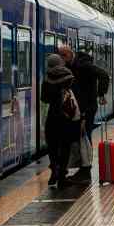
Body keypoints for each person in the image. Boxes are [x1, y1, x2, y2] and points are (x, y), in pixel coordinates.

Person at [66, 45, 111, 182]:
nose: (62, 59)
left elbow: (104, 75)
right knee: (81, 137)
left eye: (64, 56)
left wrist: (101, 93)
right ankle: (82, 169)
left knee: (84, 137)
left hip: (87, 108)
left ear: (70, 54)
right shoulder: (72, 66)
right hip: (80, 108)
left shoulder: (83, 65)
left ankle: (86, 171)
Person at [40, 53, 78, 188]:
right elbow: (73, 94)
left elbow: (44, 98)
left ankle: (54, 171)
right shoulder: (68, 76)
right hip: (66, 117)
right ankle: (62, 176)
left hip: (52, 117)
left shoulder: (46, 78)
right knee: (65, 146)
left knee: (53, 146)